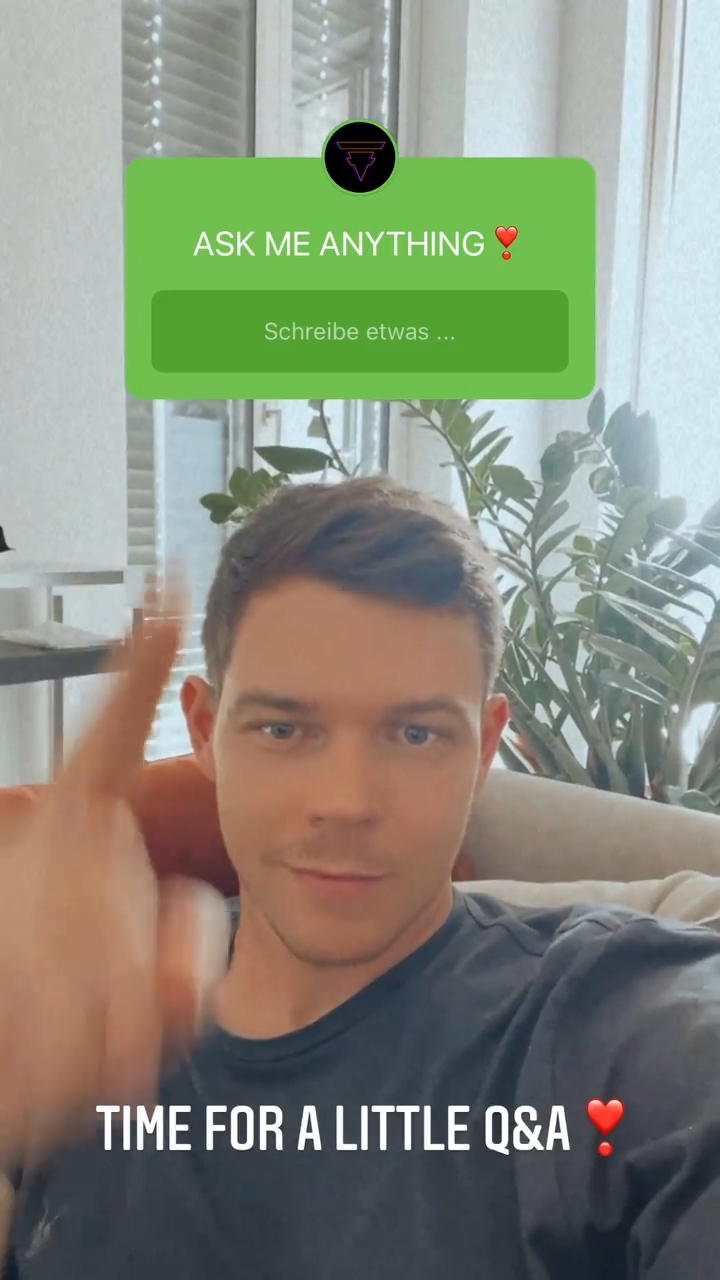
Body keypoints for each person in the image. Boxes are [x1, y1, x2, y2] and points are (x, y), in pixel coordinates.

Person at [2, 476, 720, 1279]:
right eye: (284, 728)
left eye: (416, 734)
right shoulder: (63, 1011)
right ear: (204, 730)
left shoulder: (606, 1026)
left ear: (484, 749)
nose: (346, 803)